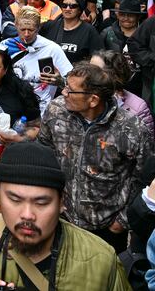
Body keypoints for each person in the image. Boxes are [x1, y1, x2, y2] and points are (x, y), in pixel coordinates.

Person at [0, 141, 130, 290]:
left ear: (61, 202)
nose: (27, 215)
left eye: (41, 203)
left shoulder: (101, 260)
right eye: (15, 200)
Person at [39, 62, 153, 253]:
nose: (64, 93)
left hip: (106, 228)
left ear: (93, 100)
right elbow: (44, 150)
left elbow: (144, 177)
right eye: (66, 86)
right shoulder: (56, 111)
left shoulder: (131, 128)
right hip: (61, 218)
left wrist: (122, 220)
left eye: (71, 90)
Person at [1, 5, 72, 117]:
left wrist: (60, 81)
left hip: (40, 111)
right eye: (22, 29)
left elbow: (72, 81)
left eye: (31, 30)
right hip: (10, 107)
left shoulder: (51, 48)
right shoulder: (5, 46)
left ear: (38, 28)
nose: (26, 34)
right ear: (16, 25)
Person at [90, 49, 153, 138]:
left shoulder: (138, 107)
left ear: (111, 75)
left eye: (93, 70)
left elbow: (147, 144)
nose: (86, 73)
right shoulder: (84, 99)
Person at [40, 0, 102, 64]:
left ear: (79, 10)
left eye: (73, 6)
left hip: (76, 73)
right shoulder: (49, 26)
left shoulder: (89, 31)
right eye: (64, 5)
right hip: (49, 72)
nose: (68, 8)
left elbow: (98, 58)